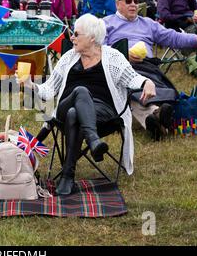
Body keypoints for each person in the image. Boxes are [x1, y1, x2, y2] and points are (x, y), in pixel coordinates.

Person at [17, 13, 157, 195]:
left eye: (76, 34)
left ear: (91, 38)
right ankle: (93, 140)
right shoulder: (68, 58)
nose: (72, 38)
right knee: (80, 91)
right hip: (65, 107)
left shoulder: (113, 57)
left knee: (75, 114)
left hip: (102, 112)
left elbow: (133, 78)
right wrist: (30, 85)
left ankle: (68, 176)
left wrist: (148, 82)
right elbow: (48, 91)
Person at [104, 0, 197, 139]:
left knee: (165, 90)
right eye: (128, 1)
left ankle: (157, 117)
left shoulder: (147, 23)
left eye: (135, 1)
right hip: (120, 67)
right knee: (129, 86)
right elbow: (99, 49)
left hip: (147, 66)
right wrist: (123, 54)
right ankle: (155, 116)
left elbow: (172, 37)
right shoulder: (106, 23)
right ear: (117, 4)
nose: (133, 5)